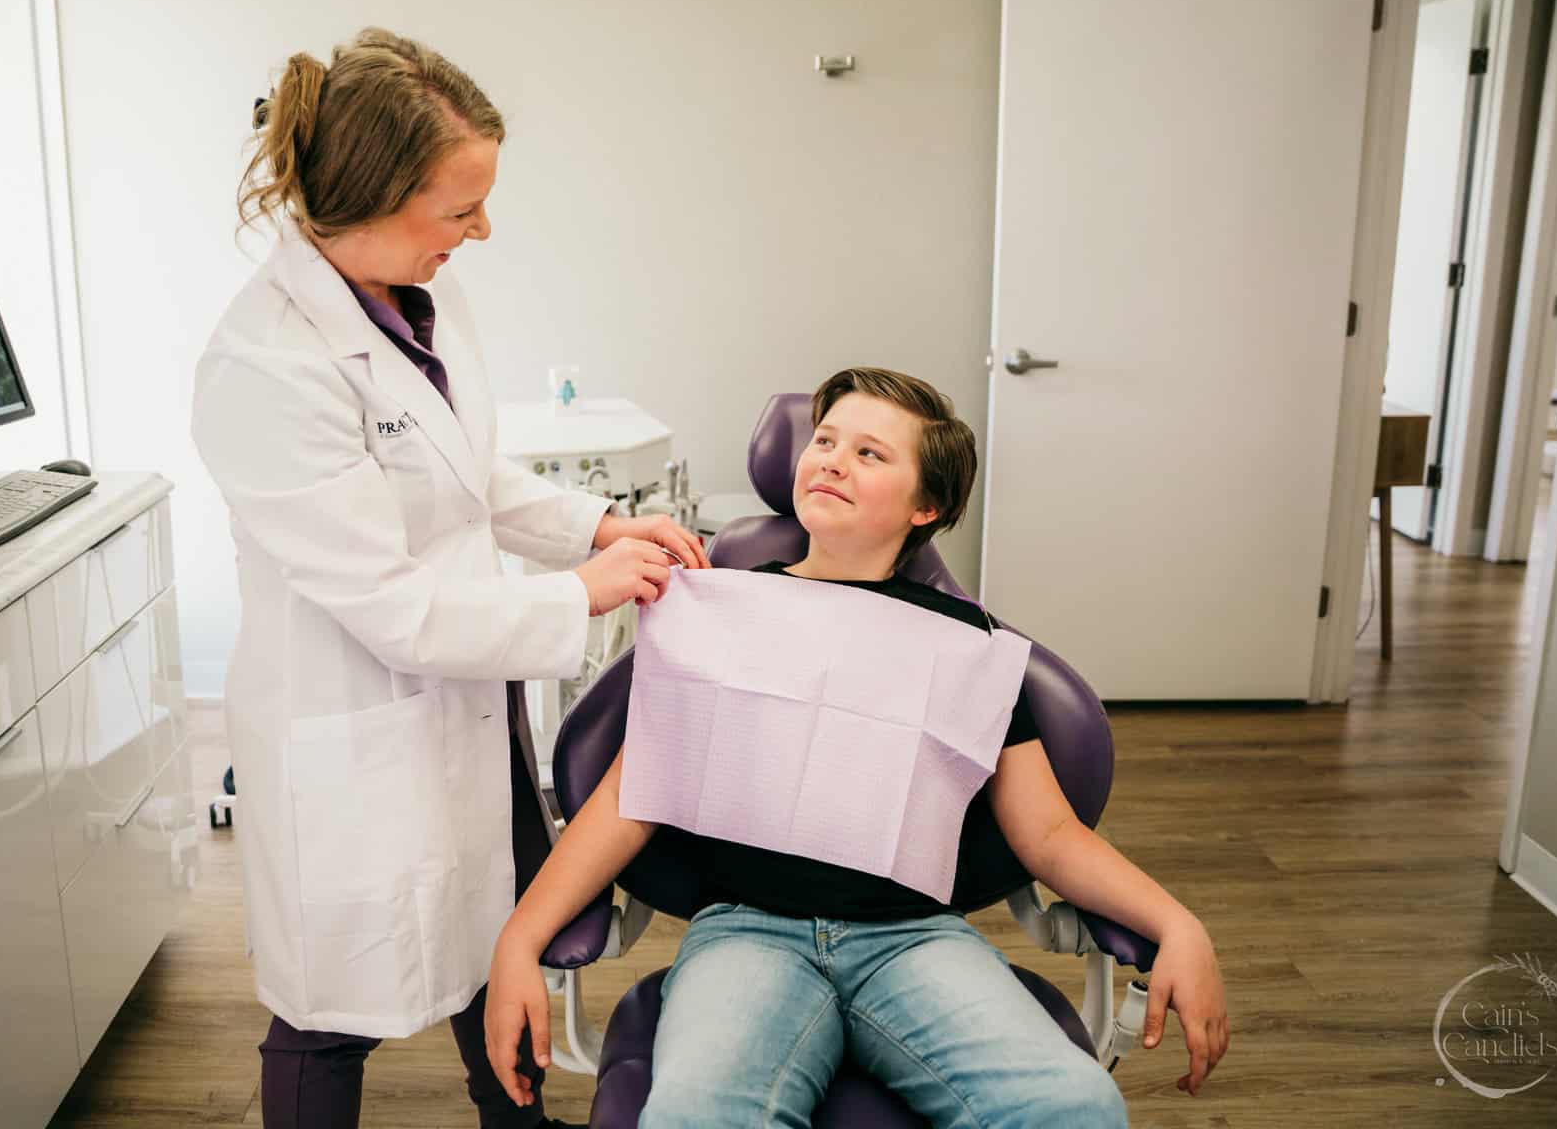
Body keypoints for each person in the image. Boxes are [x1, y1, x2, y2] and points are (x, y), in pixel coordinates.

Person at [191, 27, 708, 1129]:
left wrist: (601, 521)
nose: (481, 230)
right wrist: (587, 589)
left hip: (473, 702)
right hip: (351, 727)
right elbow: (397, 607)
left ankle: (516, 1121)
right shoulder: (266, 369)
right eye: (458, 206)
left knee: (496, 939)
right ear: (370, 197)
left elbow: (470, 475)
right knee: (325, 1005)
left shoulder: (423, 293)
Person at [484, 367, 1229, 1128]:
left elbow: (1049, 834)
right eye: (826, 440)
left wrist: (1179, 925)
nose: (834, 458)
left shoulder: (963, 646)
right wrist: (520, 940)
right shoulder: (717, 612)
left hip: (912, 941)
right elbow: (627, 800)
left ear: (925, 505)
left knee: (1076, 1108)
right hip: (747, 933)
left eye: (871, 454)